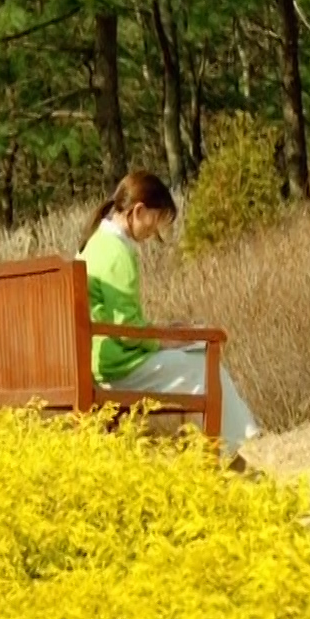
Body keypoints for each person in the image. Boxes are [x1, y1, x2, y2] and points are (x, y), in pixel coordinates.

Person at [78, 169, 260, 472]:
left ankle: (223, 458)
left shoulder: (94, 244)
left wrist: (162, 335)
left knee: (196, 359)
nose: (154, 232)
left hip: (102, 360)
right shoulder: (117, 252)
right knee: (204, 365)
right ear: (138, 211)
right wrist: (165, 340)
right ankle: (227, 461)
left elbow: (119, 322)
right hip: (119, 366)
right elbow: (128, 333)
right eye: (155, 221)